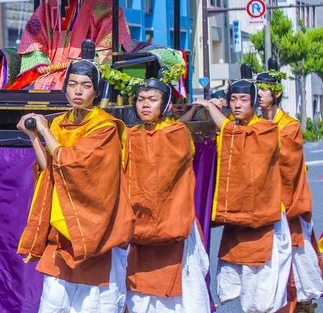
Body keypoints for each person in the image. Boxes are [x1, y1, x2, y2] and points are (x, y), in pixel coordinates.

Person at [17, 41, 134, 313]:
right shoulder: (59, 123)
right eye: (72, 84)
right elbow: (51, 170)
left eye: (85, 85)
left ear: (97, 90)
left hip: (94, 229)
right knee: (55, 305)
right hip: (63, 228)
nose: (78, 91)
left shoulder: (105, 127)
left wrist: (45, 132)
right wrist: (35, 137)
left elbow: (71, 164)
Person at [194, 78, 292, 313]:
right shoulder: (232, 125)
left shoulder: (266, 130)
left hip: (263, 219)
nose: (237, 105)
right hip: (237, 218)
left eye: (244, 99)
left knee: (263, 290)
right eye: (234, 99)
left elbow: (234, 134)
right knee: (245, 285)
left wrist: (210, 108)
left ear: (254, 103)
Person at [125, 77, 210, 312]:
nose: (145, 105)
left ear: (165, 105)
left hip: (174, 220)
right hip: (140, 226)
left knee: (183, 296)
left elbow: (167, 176)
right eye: (141, 100)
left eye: (152, 100)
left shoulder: (177, 134)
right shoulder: (130, 136)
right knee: (139, 292)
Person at [9, 0, 132, 90]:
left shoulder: (102, 1)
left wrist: (90, 62)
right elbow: (34, 31)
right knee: (26, 92)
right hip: (51, 68)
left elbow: (110, 37)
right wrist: (40, 61)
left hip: (83, 69)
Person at [256, 69, 323, 312]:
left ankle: (302, 305)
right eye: (258, 89)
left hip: (287, 202)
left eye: (264, 90)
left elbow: (288, 164)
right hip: (262, 204)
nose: (260, 94)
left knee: (298, 260)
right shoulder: (253, 123)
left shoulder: (289, 126)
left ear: (276, 93)